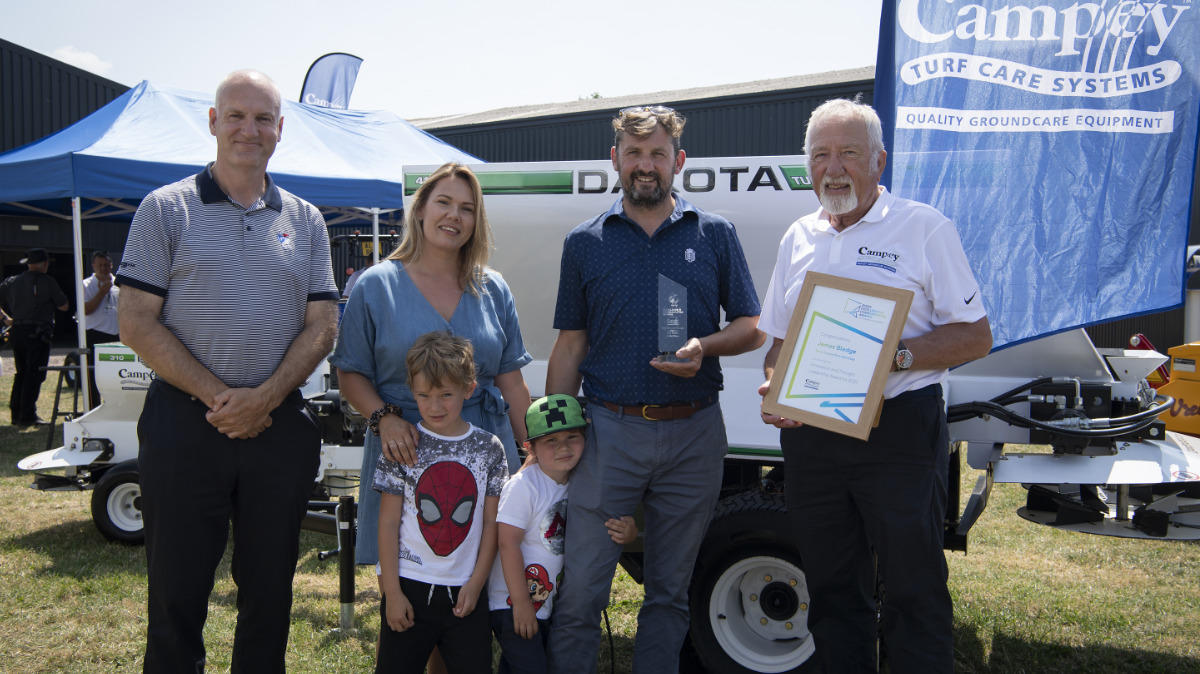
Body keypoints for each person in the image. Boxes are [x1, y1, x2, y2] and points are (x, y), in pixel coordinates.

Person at [757, 98, 993, 673]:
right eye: (820, 155)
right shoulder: (798, 236)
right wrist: (775, 387)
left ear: (879, 162)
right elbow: (780, 344)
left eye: (849, 154)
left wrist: (895, 356)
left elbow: (975, 336)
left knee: (914, 589)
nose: (833, 168)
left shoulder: (923, 227)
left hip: (900, 434)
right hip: (814, 438)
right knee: (832, 590)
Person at [115, 70, 339, 672]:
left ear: (280, 130)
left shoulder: (307, 220)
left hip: (277, 427)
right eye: (236, 115)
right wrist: (224, 398)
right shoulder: (165, 209)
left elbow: (322, 325)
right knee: (176, 590)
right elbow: (135, 321)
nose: (249, 128)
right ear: (213, 122)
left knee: (270, 591)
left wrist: (263, 398)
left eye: (263, 117)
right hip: (185, 425)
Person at [546, 105, 764, 673]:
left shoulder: (714, 233)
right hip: (608, 432)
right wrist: (551, 432)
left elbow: (750, 327)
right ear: (614, 159)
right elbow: (571, 345)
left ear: (679, 161)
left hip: (694, 434)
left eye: (658, 154)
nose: (647, 166)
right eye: (635, 154)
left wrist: (704, 348)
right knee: (582, 593)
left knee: (669, 594)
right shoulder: (584, 242)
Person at [331, 161, 533, 568]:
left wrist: (532, 453)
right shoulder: (376, 285)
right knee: (411, 575)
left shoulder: (493, 288)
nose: (454, 216)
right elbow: (350, 372)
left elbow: (511, 380)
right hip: (407, 450)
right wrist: (383, 418)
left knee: (491, 572)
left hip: (486, 450)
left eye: (467, 208)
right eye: (443, 202)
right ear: (420, 209)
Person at [373, 331, 508, 673]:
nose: (435, 406)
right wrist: (392, 592)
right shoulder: (403, 444)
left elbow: (492, 523)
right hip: (408, 587)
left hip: (466, 593)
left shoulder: (490, 449)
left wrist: (476, 583)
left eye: (446, 394)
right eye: (424, 395)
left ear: (469, 388)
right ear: (412, 392)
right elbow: (388, 523)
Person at [487, 394, 638, 674]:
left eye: (572, 437)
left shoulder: (579, 483)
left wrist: (629, 531)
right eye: (551, 441)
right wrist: (520, 604)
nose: (563, 448)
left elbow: (606, 521)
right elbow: (507, 544)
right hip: (510, 602)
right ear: (529, 446)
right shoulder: (524, 486)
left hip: (545, 603)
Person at [0, 248, 68, 426]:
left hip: (17, 331)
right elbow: (64, 306)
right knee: (35, 374)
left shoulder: (13, 281)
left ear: (29, 264)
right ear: (44, 264)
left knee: (20, 372)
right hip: (38, 333)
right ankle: (28, 415)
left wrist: (6, 318)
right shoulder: (47, 281)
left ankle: (16, 414)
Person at [82, 249, 119, 407]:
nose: (104, 269)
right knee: (93, 375)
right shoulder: (86, 285)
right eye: (100, 265)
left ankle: (114, 405)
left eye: (107, 265)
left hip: (116, 336)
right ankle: (93, 406)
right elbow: (85, 310)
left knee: (115, 376)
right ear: (93, 266)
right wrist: (101, 293)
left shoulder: (118, 284)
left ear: (111, 265)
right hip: (95, 335)